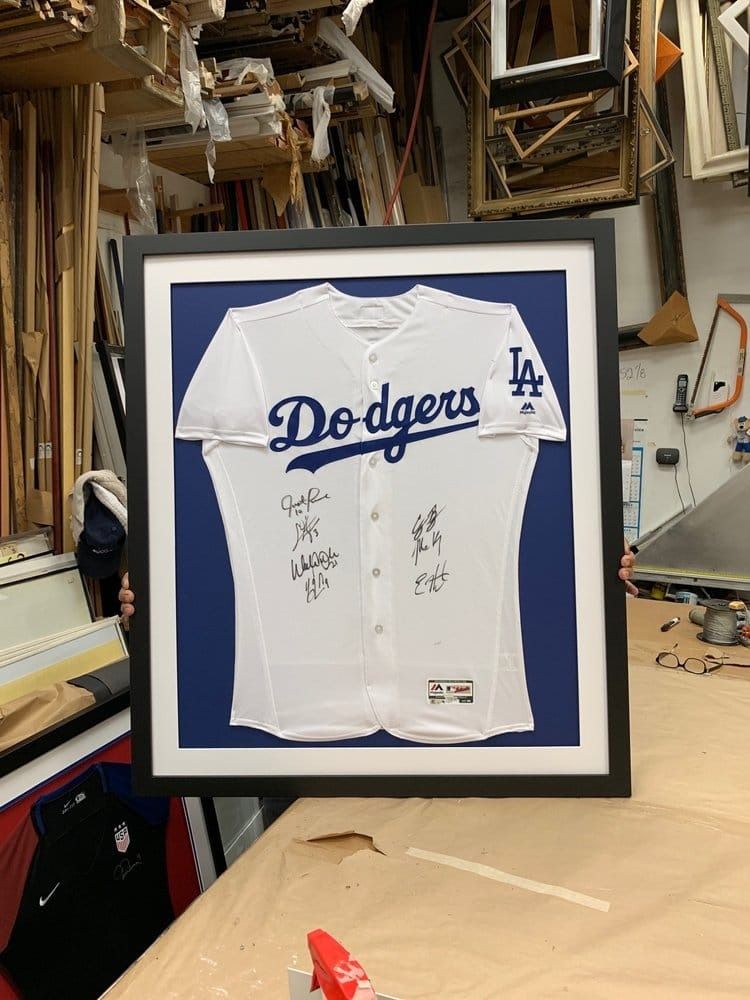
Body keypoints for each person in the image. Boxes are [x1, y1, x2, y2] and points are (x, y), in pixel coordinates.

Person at [119, 548, 638, 618]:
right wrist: (155, 596)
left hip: (457, 735)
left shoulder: (496, 330)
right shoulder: (246, 333)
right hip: (300, 747)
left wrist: (594, 559)